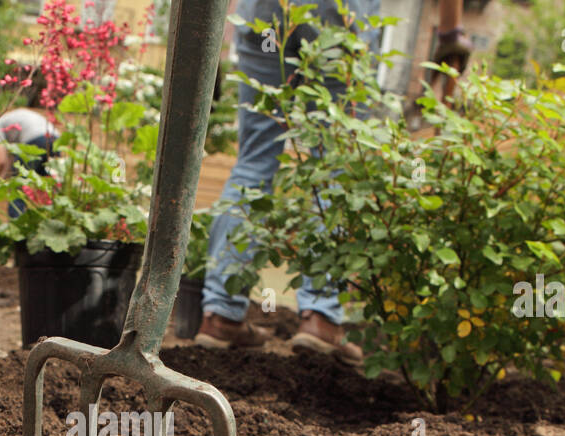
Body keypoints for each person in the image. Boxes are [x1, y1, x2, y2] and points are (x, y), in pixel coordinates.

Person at [196, 0, 471, 364]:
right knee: (334, 163)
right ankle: (320, 317)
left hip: (262, 13)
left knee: (254, 160)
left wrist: (206, 29)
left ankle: (220, 314)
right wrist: (451, 32)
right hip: (338, 15)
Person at [0, 80, 57, 219]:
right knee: (47, 182)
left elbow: (1, 162)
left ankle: (16, 224)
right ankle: (53, 217)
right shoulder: (9, 124)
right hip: (54, 138)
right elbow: (9, 163)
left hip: (34, 140)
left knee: (17, 184)